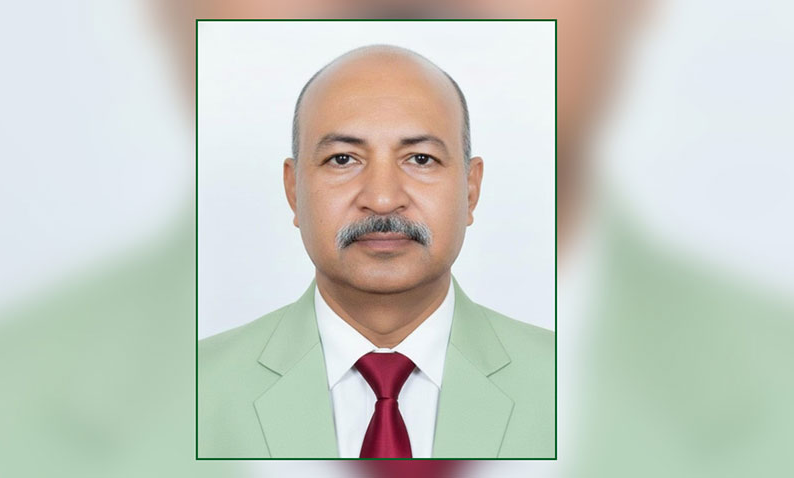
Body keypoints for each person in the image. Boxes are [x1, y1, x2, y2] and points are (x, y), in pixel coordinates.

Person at [197, 45, 555, 459]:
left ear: (471, 189)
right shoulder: (186, 391)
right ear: (293, 190)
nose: (383, 199)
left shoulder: (580, 386)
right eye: (342, 159)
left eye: (420, 159)